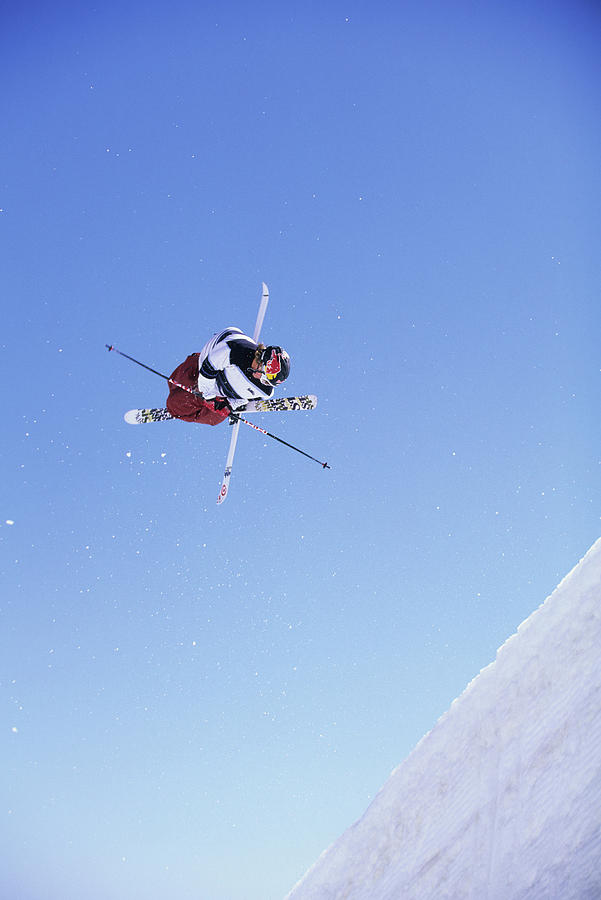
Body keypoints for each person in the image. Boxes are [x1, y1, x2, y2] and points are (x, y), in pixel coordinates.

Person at [166, 327, 290, 425]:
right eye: (263, 375)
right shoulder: (233, 351)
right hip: (204, 366)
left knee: (175, 405)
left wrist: (231, 406)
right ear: (261, 359)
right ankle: (196, 395)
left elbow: (244, 399)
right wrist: (209, 397)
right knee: (174, 382)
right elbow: (207, 370)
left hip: (222, 390)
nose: (260, 379)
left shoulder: (264, 391)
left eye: (267, 382)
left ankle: (185, 407)